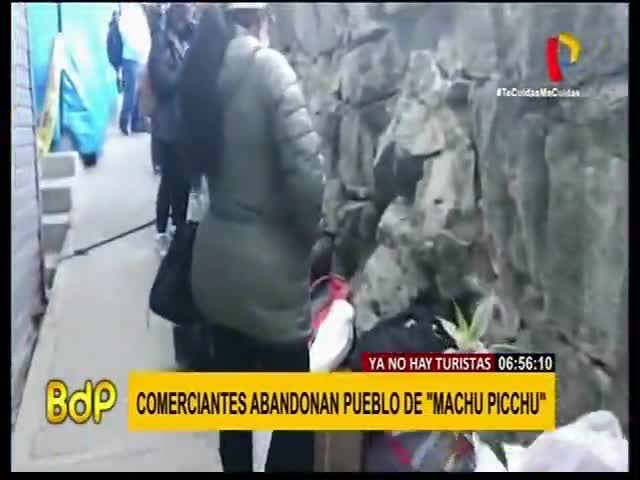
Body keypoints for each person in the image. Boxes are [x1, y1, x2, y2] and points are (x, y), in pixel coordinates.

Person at [178, 3, 331, 472]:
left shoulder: (201, 72)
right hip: (268, 278)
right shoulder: (269, 69)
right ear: (263, 19)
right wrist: (305, 240)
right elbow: (307, 177)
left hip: (216, 266)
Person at [148, 3, 194, 256]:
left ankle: (179, 226)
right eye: (183, 10)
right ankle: (162, 231)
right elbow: (163, 82)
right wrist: (187, 67)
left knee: (183, 180)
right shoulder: (161, 40)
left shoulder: (190, 36)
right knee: (169, 180)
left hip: (184, 124)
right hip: (167, 125)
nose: (187, 15)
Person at [118, 2, 152, 135]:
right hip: (132, 57)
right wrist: (140, 50)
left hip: (141, 57)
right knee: (131, 92)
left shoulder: (138, 11)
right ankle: (125, 120)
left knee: (139, 92)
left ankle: (137, 122)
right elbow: (128, 36)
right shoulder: (127, 11)